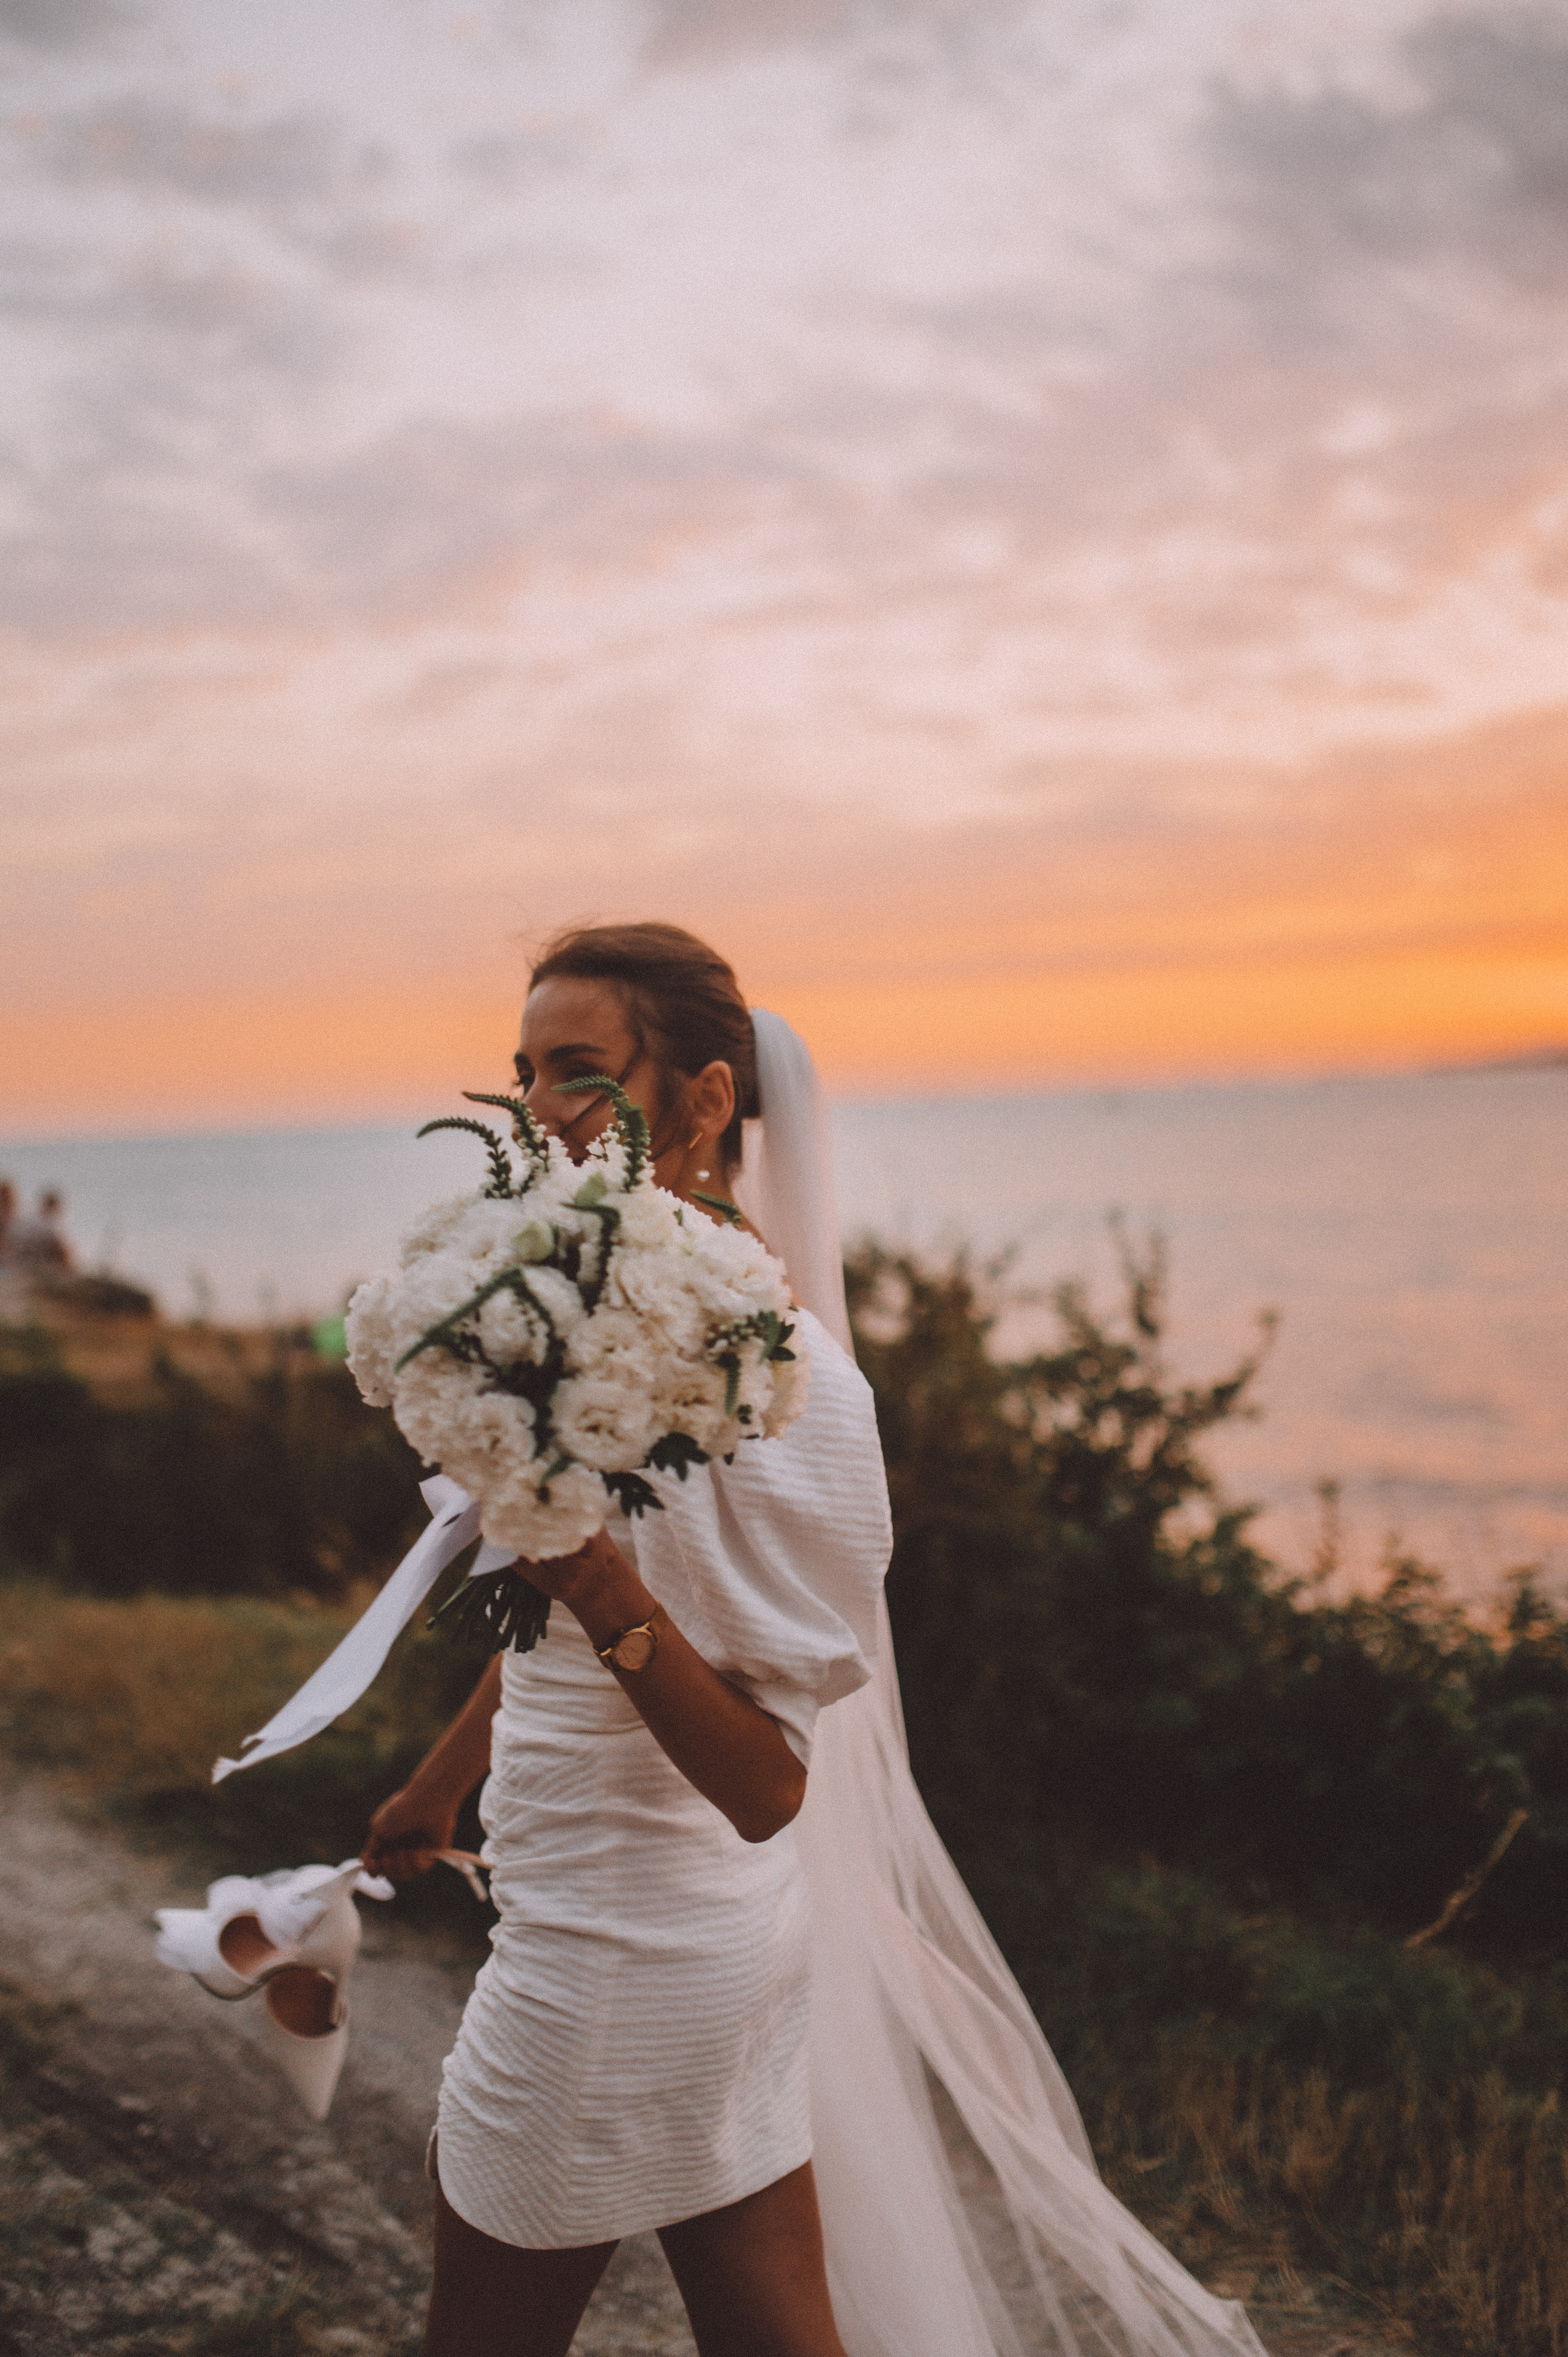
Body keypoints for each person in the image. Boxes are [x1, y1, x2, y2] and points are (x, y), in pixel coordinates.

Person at [363, 923, 1265, 2357]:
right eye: (523, 1072)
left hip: (610, 1961)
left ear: (708, 1101)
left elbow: (768, 1780)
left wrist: (595, 1582)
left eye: (580, 1074)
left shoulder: (788, 1391)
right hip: (696, 1949)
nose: (535, 1111)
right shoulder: (580, 1320)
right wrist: (439, 1778)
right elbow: (560, 1616)